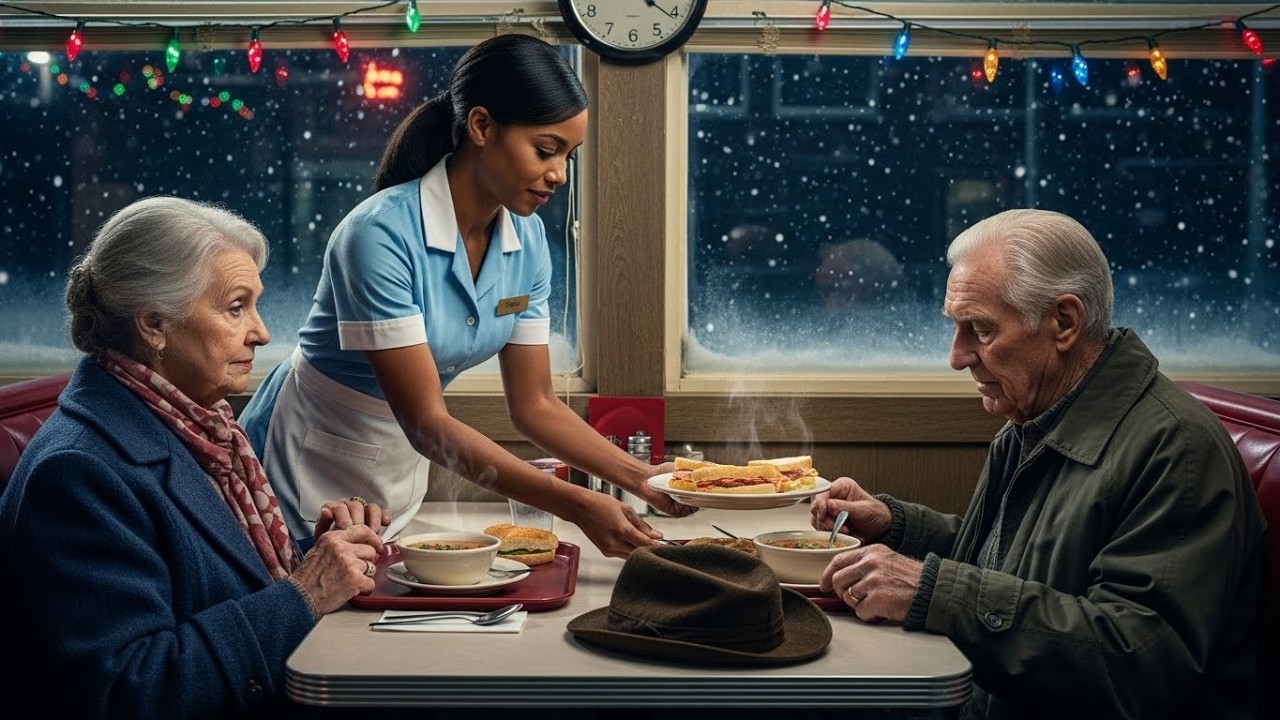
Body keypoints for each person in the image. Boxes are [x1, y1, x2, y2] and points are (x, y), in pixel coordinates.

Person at [239, 33, 693, 557]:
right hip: (308, 459)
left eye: (569, 154)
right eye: (546, 150)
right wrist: (576, 503)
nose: (559, 174)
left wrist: (642, 479)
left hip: (398, 467)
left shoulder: (527, 242)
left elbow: (536, 405)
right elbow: (426, 422)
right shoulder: (378, 235)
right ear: (481, 126)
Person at [810, 209, 1265, 719]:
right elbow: (1018, 565)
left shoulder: (1176, 452)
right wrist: (898, 530)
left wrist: (933, 591)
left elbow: (1140, 661)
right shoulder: (1033, 418)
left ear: (1064, 322)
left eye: (979, 329)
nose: (957, 357)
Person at [0, 197, 390, 718]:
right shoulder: (77, 472)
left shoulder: (195, 425)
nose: (262, 332)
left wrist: (313, 552)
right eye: (236, 307)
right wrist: (304, 593)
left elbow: (205, 578)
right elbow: (133, 689)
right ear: (155, 324)